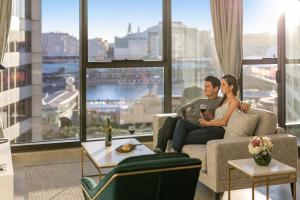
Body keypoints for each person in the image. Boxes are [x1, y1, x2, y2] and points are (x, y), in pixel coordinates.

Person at [154, 75, 249, 153]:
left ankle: (174, 154)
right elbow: (216, 117)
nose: (221, 87)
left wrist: (245, 103)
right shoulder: (224, 100)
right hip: (210, 127)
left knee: (179, 135)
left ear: (231, 87)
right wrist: (207, 116)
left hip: (217, 131)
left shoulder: (234, 101)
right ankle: (166, 149)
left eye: (223, 85)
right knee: (181, 123)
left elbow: (224, 121)